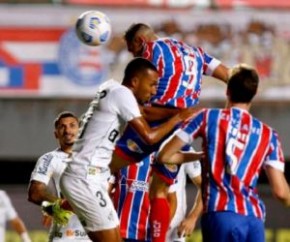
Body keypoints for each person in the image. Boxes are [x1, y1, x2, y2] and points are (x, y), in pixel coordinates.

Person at [110, 22, 230, 242]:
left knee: (106, 167)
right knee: (159, 190)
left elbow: (137, 86)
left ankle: (68, 203)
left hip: (156, 118)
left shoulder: (150, 50)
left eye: (132, 51)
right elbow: (229, 75)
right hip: (183, 130)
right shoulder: (196, 53)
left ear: (139, 41)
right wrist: (230, 110)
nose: (134, 56)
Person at [59, 57, 196, 242]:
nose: (154, 91)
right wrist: (178, 118)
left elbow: (145, 112)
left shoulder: (111, 88)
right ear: (135, 81)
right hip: (84, 176)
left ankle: (57, 207)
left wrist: (175, 112)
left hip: (92, 176)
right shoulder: (123, 94)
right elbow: (149, 136)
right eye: (152, 85)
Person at [157, 64, 290, 242]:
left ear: (227, 90)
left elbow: (165, 155)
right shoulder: (269, 135)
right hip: (254, 218)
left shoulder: (206, 117)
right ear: (254, 93)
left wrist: (197, 156)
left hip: (220, 215)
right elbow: (281, 192)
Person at [27, 111, 92, 242]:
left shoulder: (97, 157)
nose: (67, 130)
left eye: (72, 125)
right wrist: (59, 205)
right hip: (64, 236)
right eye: (62, 127)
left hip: (95, 234)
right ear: (56, 134)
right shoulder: (49, 159)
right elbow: (34, 193)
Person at [166, 162, 202, 242]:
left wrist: (192, 218)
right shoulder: (139, 150)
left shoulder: (186, 150)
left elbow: (204, 187)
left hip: (175, 227)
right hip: (142, 222)